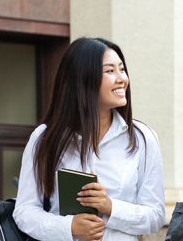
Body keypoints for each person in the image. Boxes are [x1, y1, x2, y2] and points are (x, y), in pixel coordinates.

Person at [13, 37, 165, 241]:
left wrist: (109, 207)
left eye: (121, 69)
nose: (122, 78)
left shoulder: (142, 138)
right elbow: (24, 211)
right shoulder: (45, 138)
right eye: (110, 71)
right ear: (83, 79)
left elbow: (155, 215)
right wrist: (69, 227)